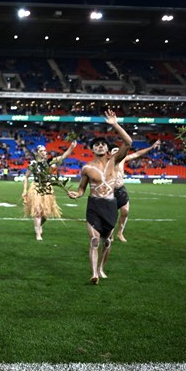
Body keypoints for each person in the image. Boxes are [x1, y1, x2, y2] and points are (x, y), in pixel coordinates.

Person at [67, 111, 132, 284]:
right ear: (92, 149)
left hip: (110, 205)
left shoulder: (115, 161)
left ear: (107, 149)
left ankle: (102, 268)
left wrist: (115, 124)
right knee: (95, 240)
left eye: (103, 144)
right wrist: (77, 194)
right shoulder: (86, 168)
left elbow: (128, 142)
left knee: (108, 242)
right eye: (97, 145)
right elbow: (82, 189)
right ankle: (94, 273)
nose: (100, 146)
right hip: (94, 205)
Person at [22, 140, 76, 240]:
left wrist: (71, 148)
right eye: (42, 150)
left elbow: (63, 156)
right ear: (37, 153)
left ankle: (39, 225)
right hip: (36, 187)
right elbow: (26, 177)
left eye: (45, 151)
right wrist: (24, 190)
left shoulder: (50, 162)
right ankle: (38, 234)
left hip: (47, 188)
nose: (44, 152)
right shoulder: (33, 164)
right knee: (37, 211)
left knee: (46, 214)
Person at [113, 139, 161, 242]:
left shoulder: (123, 159)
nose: (117, 152)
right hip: (110, 191)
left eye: (118, 151)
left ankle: (120, 233)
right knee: (111, 214)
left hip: (121, 189)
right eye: (114, 151)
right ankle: (109, 233)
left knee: (125, 211)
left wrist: (152, 147)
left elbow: (137, 154)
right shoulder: (107, 163)